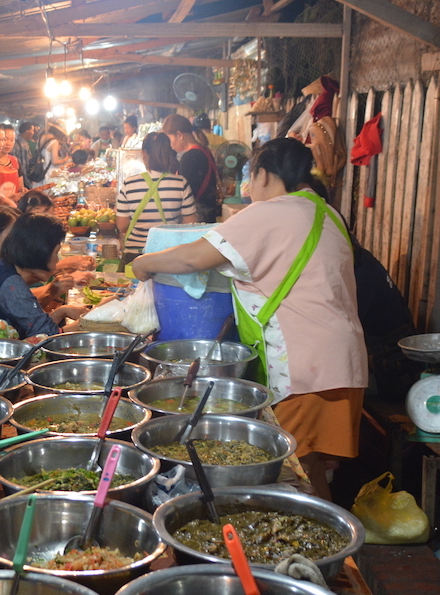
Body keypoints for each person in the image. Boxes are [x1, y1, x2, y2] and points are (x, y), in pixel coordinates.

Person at [129, 138, 366, 501]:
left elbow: (194, 258)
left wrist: (143, 263)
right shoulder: (325, 211)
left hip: (306, 368)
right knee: (310, 468)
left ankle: (318, 552)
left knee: (287, 472)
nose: (248, 188)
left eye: (250, 177)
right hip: (344, 362)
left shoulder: (273, 212)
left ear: (265, 174)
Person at [0, 213, 88, 339]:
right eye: (56, 252)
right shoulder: (11, 283)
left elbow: (35, 324)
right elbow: (49, 337)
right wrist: (91, 320)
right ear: (39, 251)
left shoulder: (3, 269)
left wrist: (61, 312)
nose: (57, 260)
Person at [115, 131, 198, 263]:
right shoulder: (180, 183)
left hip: (135, 256)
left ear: (144, 154)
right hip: (168, 254)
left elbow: (121, 225)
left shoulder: (129, 184)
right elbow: (190, 224)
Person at [163, 113, 220, 224]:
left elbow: (185, 195)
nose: (170, 145)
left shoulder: (190, 157)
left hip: (196, 220)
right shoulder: (204, 150)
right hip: (208, 216)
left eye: (169, 139)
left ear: (179, 135)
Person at [0, 121, 23, 203]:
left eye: (12, 140)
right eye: (4, 139)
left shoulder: (15, 161)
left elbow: (20, 187)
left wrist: (22, 191)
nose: (8, 143)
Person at [14, 121, 42, 188]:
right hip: (23, 181)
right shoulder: (22, 145)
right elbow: (24, 167)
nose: (33, 133)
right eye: (32, 130)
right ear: (27, 131)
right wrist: (27, 183)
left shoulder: (19, 141)